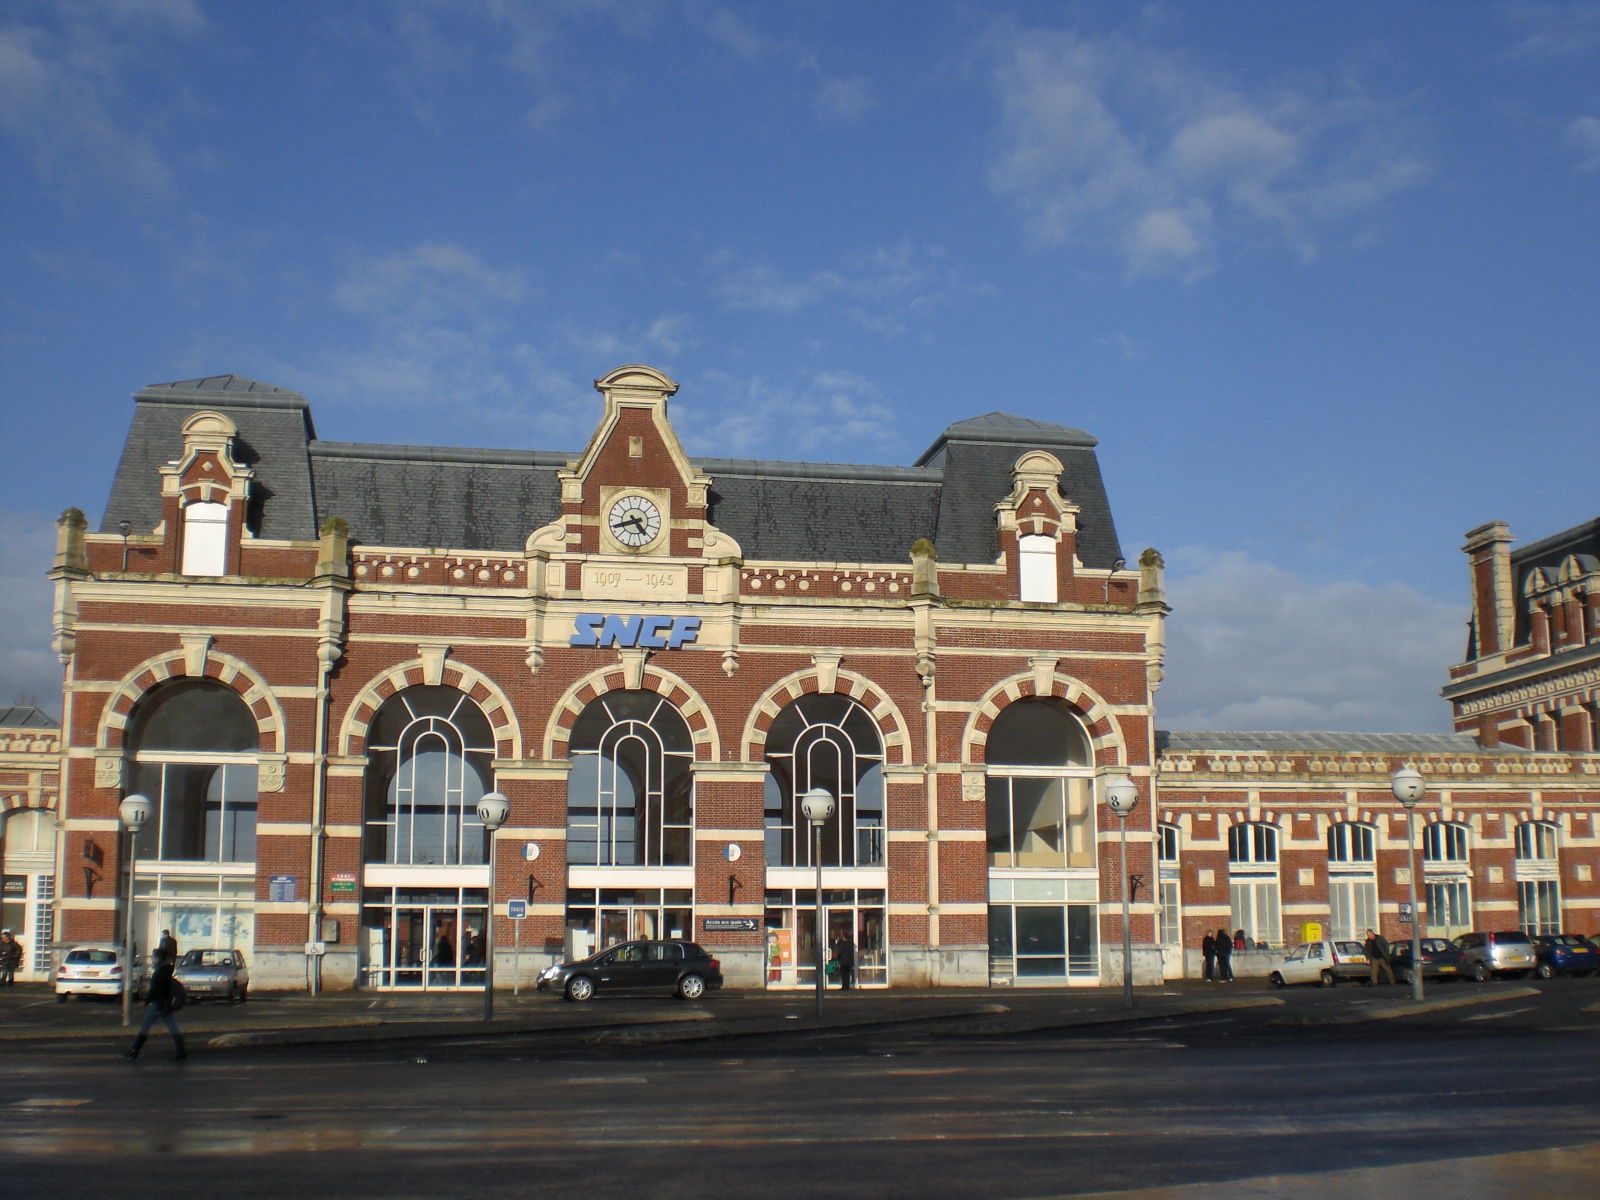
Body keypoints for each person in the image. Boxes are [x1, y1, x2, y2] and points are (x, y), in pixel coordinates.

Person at [124, 949, 185, 1061]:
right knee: (172, 1027)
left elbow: (157, 991)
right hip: (163, 1004)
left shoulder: (161, 973)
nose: (152, 959)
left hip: (158, 1004)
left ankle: (134, 1051)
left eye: (153, 957)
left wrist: (153, 1004)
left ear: (158, 959)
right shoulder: (165, 971)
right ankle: (181, 1052)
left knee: (145, 1027)